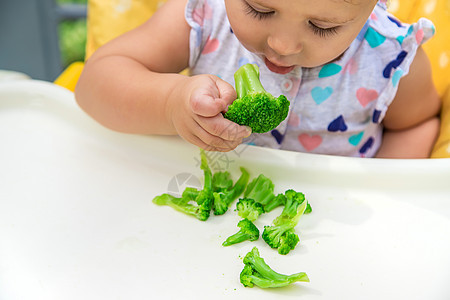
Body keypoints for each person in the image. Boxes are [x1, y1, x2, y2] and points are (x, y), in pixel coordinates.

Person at [75, 0, 441, 158]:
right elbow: (96, 82)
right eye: (259, 8)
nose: (282, 44)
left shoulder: (390, 56)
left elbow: (417, 124)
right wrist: (170, 103)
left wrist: (376, 195)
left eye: (321, 25)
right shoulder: (205, 16)